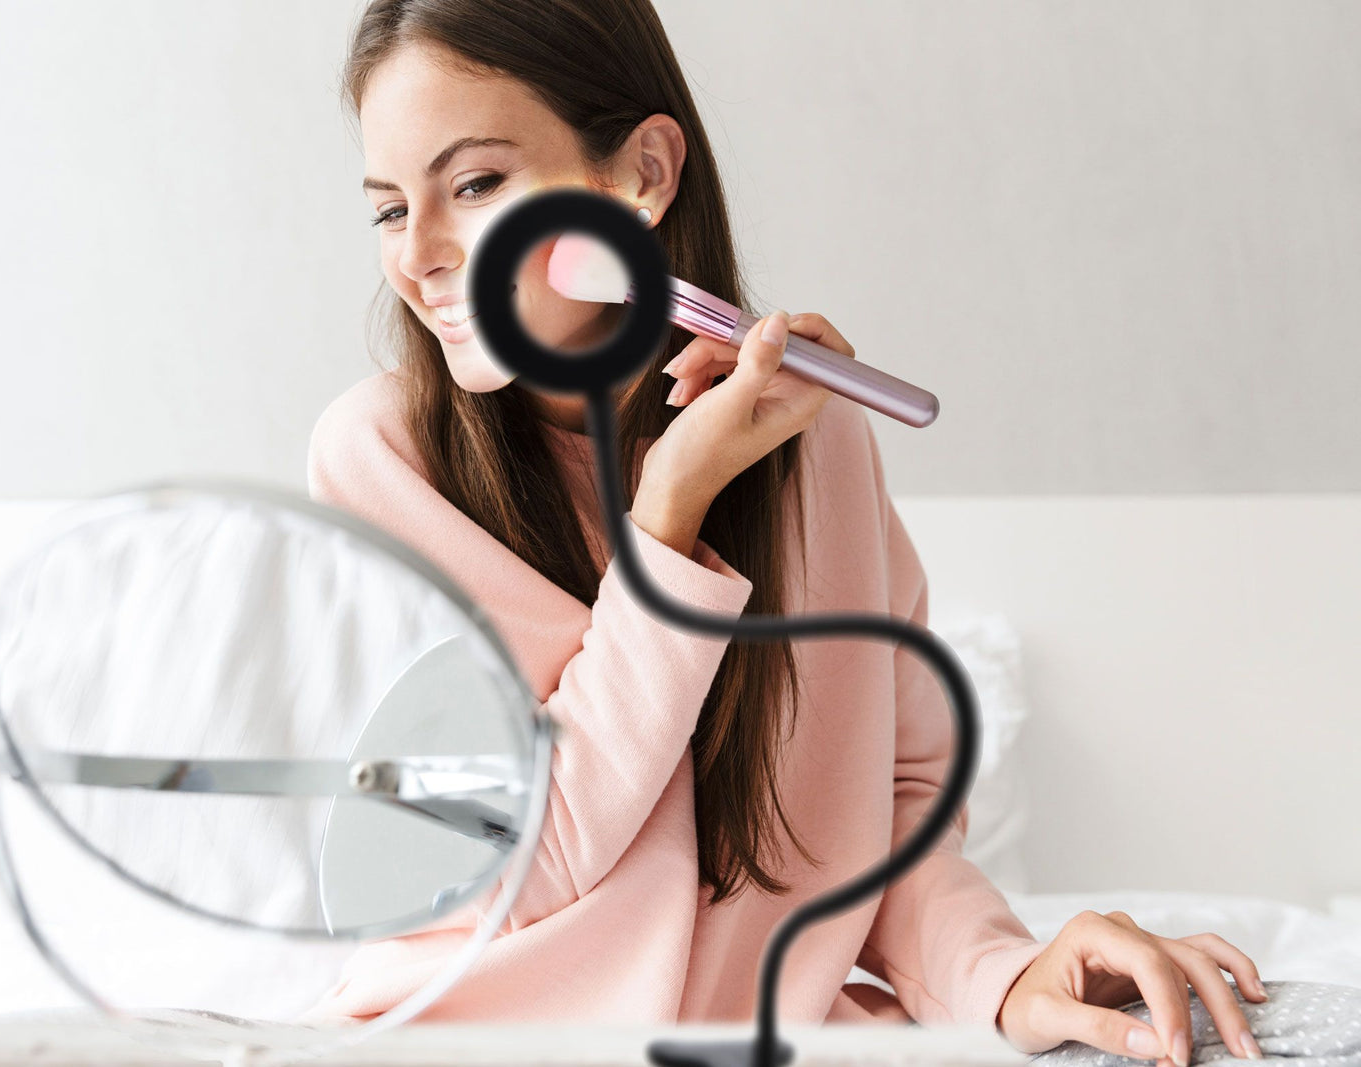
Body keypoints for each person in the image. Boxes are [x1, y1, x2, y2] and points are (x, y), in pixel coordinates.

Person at [302, 0, 1356, 1061]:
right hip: (472, 1039)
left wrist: (995, 969)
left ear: (642, 176)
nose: (423, 255)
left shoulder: (812, 438)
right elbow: (512, 857)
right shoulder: (377, 460)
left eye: (475, 185)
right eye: (390, 210)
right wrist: (667, 516)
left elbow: (882, 807)